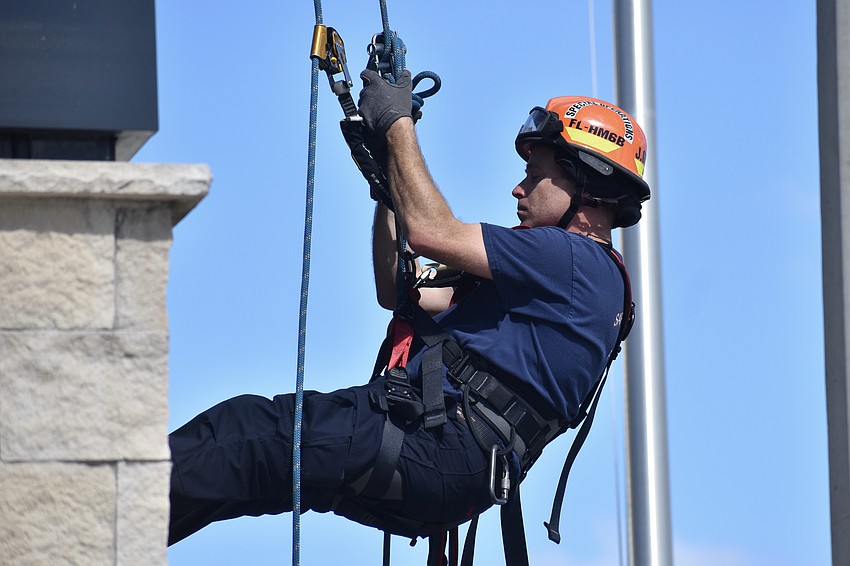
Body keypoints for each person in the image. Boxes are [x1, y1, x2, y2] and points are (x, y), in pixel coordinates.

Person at [167, 69, 651, 559]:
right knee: (248, 472)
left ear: (587, 184)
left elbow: (431, 231)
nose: (518, 190)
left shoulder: (572, 260)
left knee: (248, 433)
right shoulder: (556, 281)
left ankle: (106, 499)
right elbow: (399, 289)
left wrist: (397, 123)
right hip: (443, 461)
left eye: (535, 174)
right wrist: (388, 188)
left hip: (438, 444)